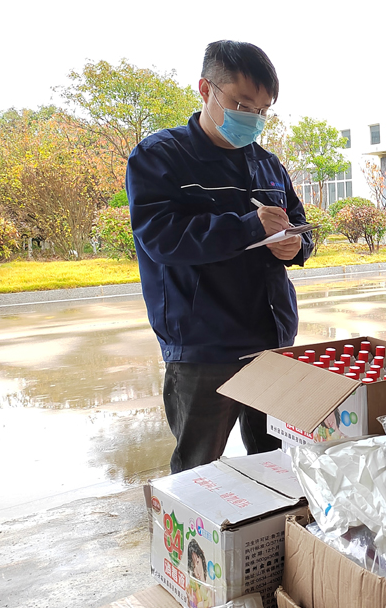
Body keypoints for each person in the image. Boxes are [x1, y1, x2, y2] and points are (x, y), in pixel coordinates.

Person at [127, 40, 314, 473]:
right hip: (203, 345)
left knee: (275, 465)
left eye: (263, 110)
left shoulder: (267, 165)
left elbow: (299, 226)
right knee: (199, 470)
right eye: (242, 104)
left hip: (270, 338)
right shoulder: (161, 157)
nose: (253, 118)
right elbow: (162, 238)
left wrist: (296, 247)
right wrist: (248, 227)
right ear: (205, 89)